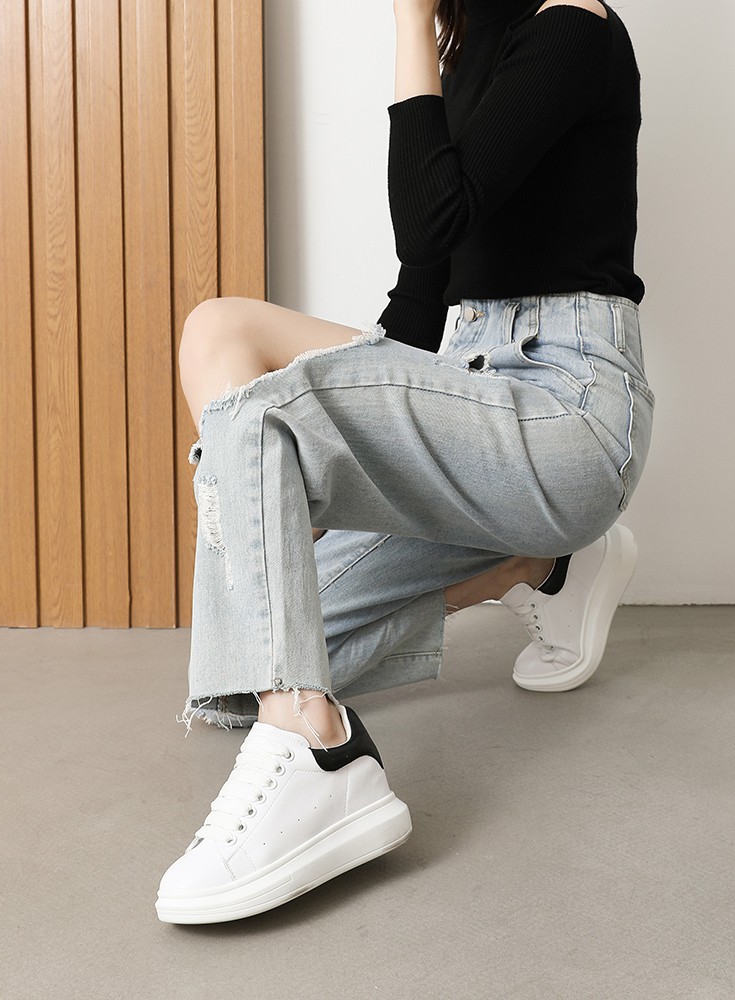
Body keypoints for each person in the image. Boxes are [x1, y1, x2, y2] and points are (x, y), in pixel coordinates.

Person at [155, 0, 654, 925]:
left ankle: (319, 746)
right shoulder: (467, 55)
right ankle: (535, 565)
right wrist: (327, 459)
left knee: (262, 455)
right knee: (239, 660)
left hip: (568, 415)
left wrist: (407, 21)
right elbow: (422, 300)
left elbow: (432, 219)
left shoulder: (574, 28)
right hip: (464, 394)